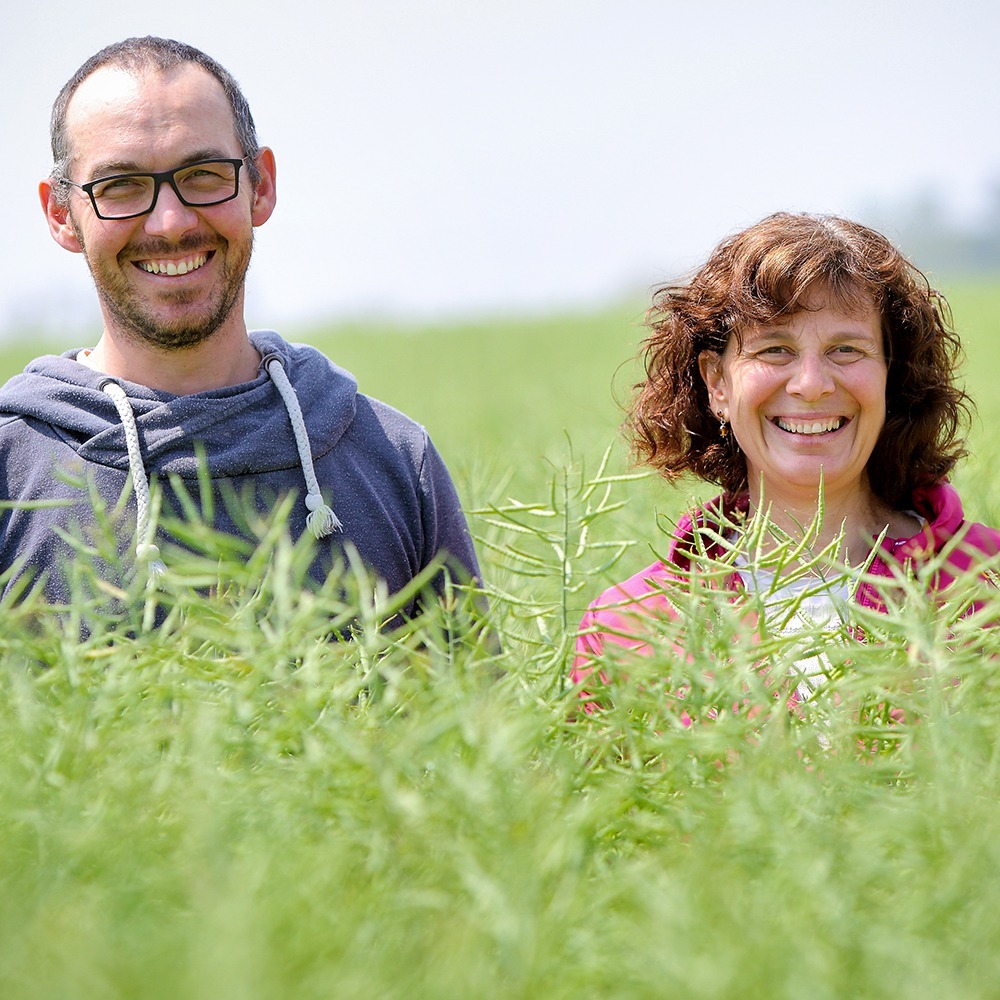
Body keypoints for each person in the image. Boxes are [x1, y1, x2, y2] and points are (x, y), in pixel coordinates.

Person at [0, 36, 480, 618]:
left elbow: (479, 708)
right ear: (61, 214)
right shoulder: (10, 470)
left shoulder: (397, 461)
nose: (170, 222)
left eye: (203, 174)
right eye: (120, 186)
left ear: (261, 185)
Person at [572, 212, 1000, 710]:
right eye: (775, 350)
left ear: (891, 375)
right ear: (717, 384)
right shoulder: (628, 628)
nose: (811, 383)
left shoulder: (987, 584)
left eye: (846, 349)